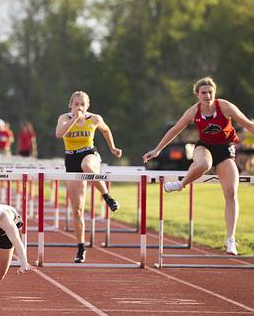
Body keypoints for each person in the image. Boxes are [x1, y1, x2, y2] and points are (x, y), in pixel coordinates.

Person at [143, 77, 254, 255]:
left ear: (214, 93)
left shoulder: (224, 106)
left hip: (225, 150)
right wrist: (157, 150)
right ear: (197, 94)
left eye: (210, 92)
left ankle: (230, 240)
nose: (207, 95)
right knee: (203, 164)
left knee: (231, 192)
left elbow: (248, 124)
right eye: (203, 93)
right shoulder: (194, 111)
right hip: (204, 147)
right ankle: (181, 184)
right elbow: (175, 130)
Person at [55, 90, 122, 263]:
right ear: (70, 105)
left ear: (87, 106)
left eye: (82, 104)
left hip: (89, 154)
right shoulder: (64, 118)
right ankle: (81, 247)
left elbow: (106, 130)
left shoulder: (94, 119)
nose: (79, 107)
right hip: (71, 159)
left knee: (87, 166)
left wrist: (112, 148)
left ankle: (107, 196)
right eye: (76, 104)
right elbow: (59, 134)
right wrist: (74, 119)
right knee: (77, 209)